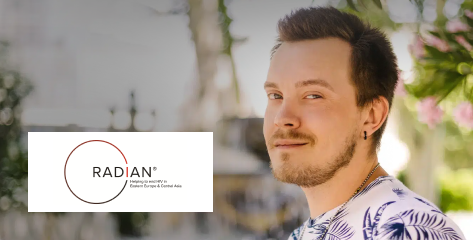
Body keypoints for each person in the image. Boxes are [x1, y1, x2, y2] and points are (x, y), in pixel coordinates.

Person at [263, 6, 466, 240]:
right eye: (275, 96)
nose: (282, 119)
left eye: (313, 95)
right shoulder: (304, 233)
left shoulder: (405, 228)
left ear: (371, 116)